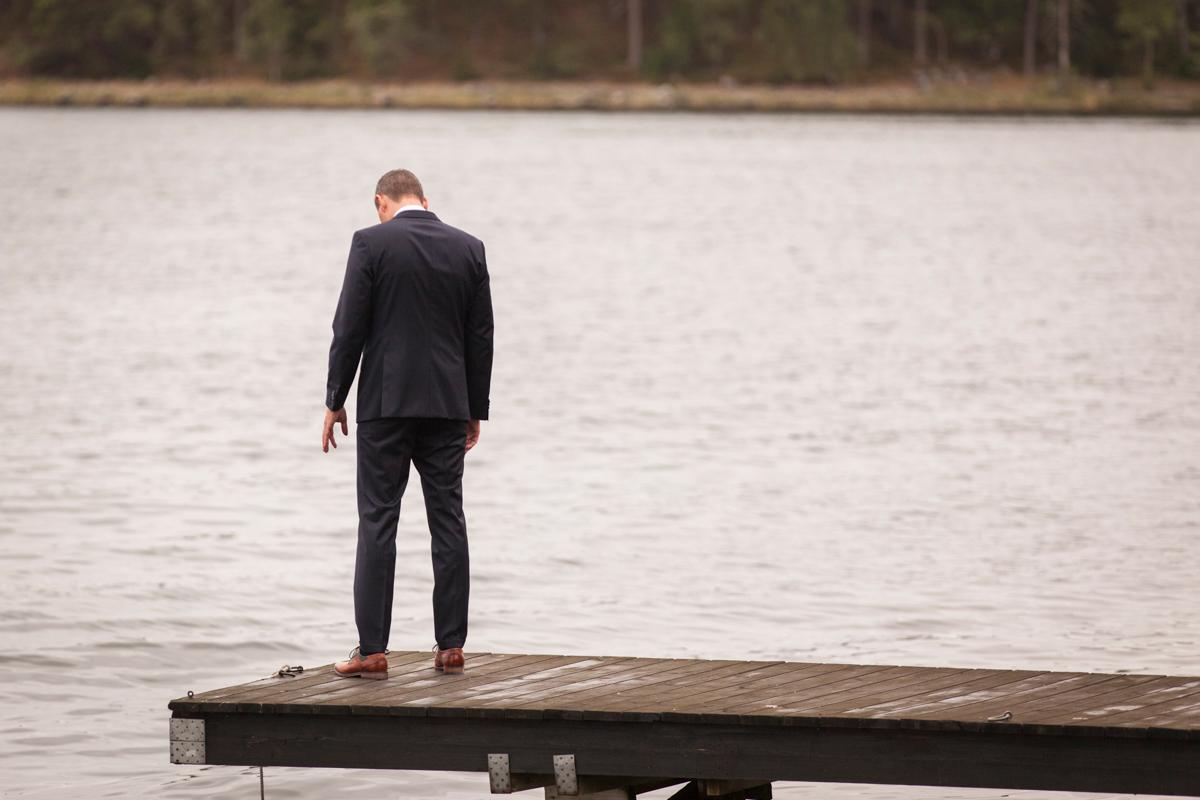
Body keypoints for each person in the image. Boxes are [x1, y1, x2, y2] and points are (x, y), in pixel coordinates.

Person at [321, 168, 493, 679]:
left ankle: (373, 651)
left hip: (386, 405)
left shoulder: (371, 244)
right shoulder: (469, 247)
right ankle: (451, 646)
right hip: (446, 404)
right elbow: (480, 333)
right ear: (424, 198)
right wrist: (474, 409)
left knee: (378, 521)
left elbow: (348, 324)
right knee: (448, 521)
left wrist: (335, 398)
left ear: (382, 202)